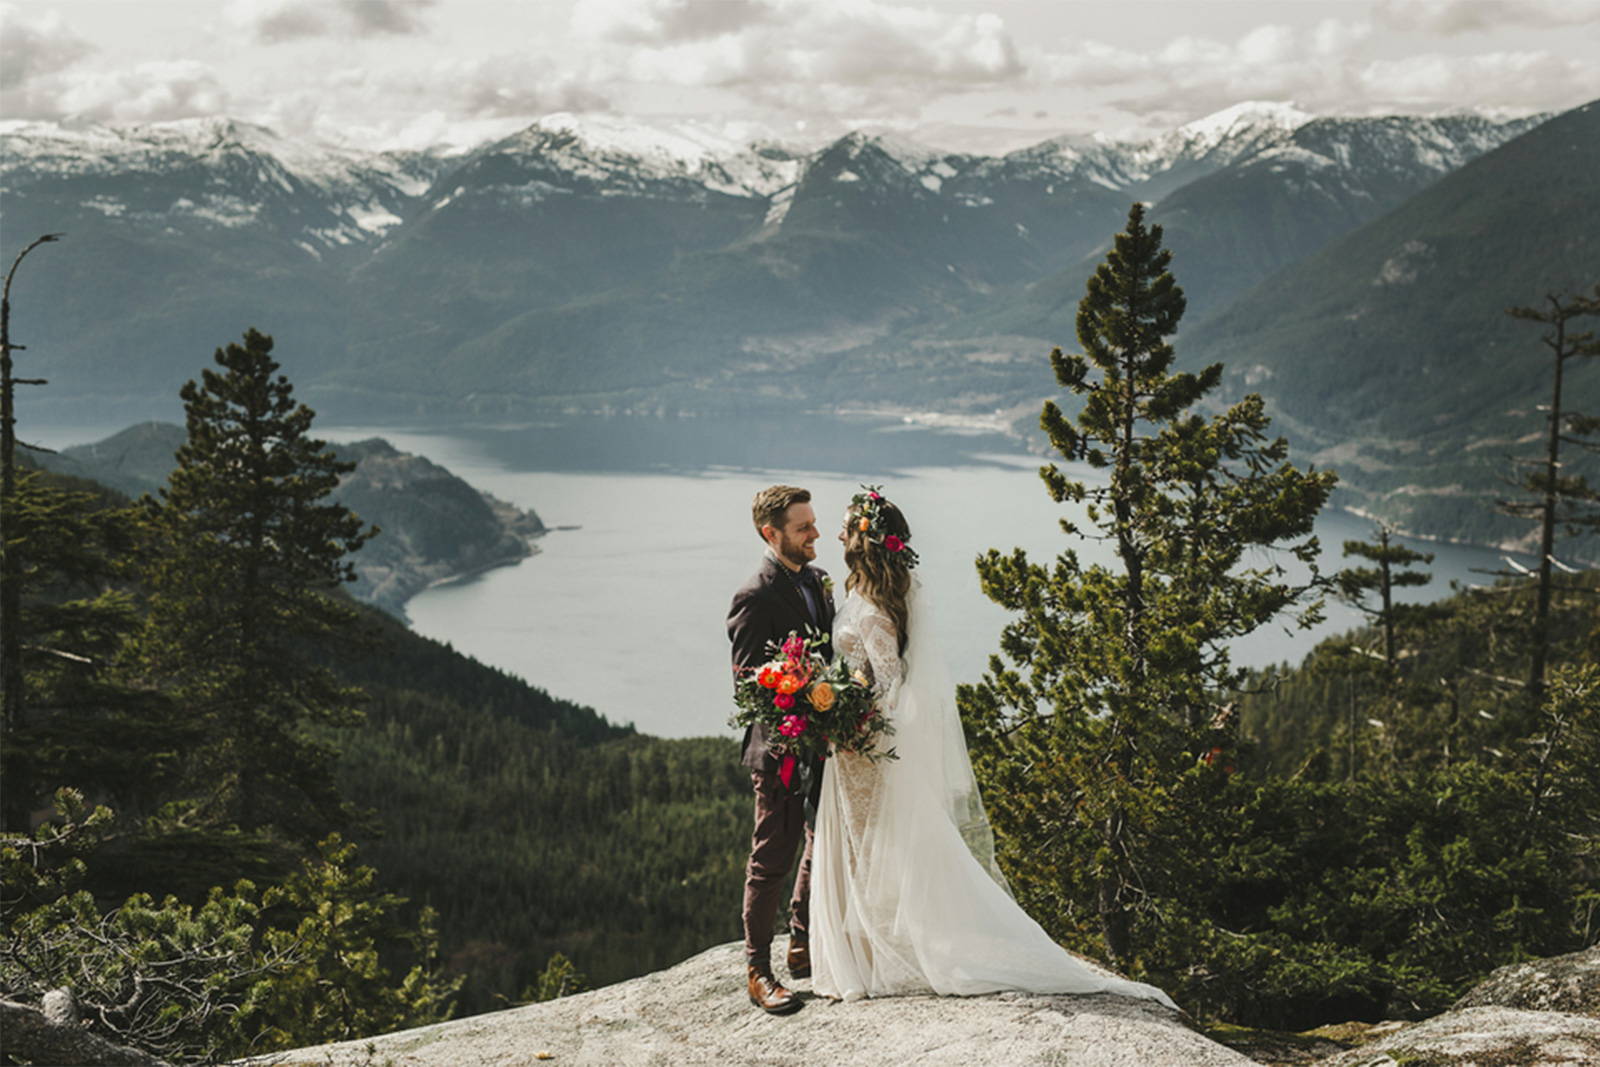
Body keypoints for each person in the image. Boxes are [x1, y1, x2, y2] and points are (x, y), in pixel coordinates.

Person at [810, 486, 1177, 1010]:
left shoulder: (870, 611)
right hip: (854, 748)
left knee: (868, 848)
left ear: (862, 540)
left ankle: (872, 959)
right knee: (866, 847)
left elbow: (888, 683)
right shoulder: (873, 593)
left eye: (847, 526)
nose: (839, 532)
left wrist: (848, 713)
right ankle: (865, 952)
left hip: (863, 745)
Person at [726, 484, 835, 1015]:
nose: (816, 533)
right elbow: (748, 684)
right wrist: (796, 698)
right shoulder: (755, 594)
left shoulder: (817, 581)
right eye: (803, 527)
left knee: (822, 835)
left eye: (813, 523)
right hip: (780, 750)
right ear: (771, 533)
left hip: (826, 742)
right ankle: (757, 970)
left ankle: (801, 936)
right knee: (772, 857)